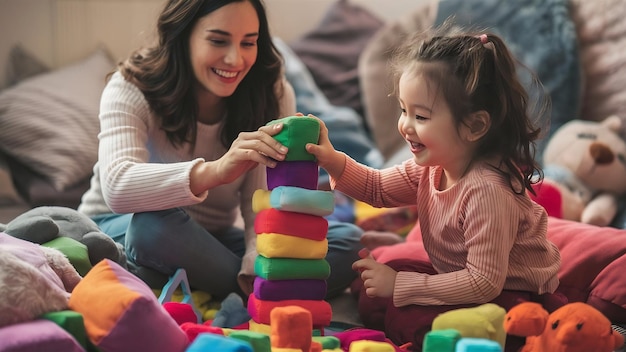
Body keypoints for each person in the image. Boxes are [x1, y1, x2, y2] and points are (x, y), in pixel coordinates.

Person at [77, 0, 362, 302]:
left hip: (209, 241)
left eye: (248, 43)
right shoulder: (131, 86)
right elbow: (118, 187)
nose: (234, 58)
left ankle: (220, 283)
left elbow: (262, 203)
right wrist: (217, 170)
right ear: (183, 35)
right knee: (153, 227)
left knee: (348, 242)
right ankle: (262, 293)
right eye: (218, 40)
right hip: (121, 225)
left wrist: (257, 259)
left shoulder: (271, 93)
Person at [305, 27, 565, 350]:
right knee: (375, 289)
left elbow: (484, 282)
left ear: (475, 126)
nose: (405, 126)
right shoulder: (431, 166)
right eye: (403, 110)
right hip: (464, 279)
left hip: (512, 297)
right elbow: (377, 188)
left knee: (406, 313)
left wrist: (401, 285)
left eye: (421, 116)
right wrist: (333, 161)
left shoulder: (487, 192)